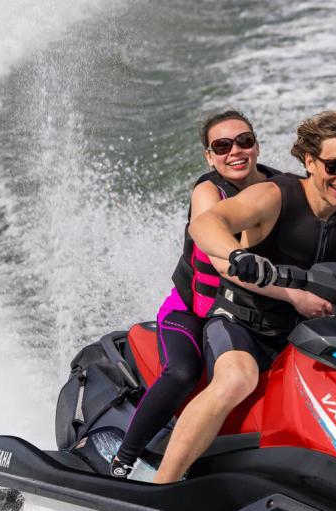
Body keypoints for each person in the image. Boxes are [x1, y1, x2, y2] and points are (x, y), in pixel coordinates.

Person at [152, 110, 336, 484]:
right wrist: (238, 255)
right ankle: (162, 484)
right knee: (236, 380)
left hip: (305, 334)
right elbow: (206, 224)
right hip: (242, 322)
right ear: (310, 161)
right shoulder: (274, 196)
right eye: (333, 166)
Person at [107, 109, 278, 478]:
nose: (235, 151)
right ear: (209, 157)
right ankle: (123, 459)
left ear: (257, 146)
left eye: (244, 141)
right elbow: (218, 251)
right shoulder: (207, 192)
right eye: (222, 146)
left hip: (243, 315)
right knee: (183, 373)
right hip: (191, 313)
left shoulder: (279, 190)